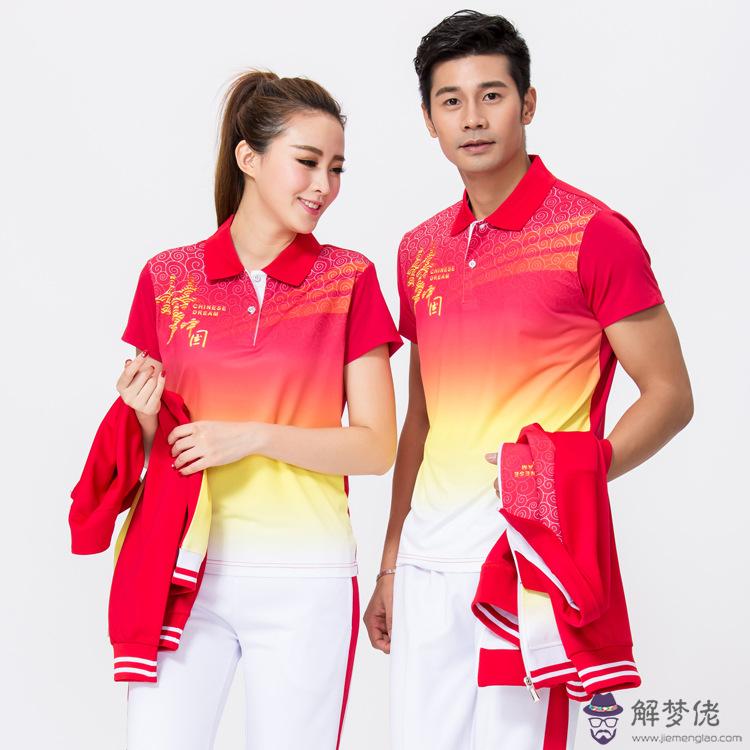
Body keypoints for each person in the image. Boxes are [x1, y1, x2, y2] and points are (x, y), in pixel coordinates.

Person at [363, 10, 693, 750]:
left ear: (528, 103)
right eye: (451, 101)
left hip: (529, 557)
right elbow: (421, 417)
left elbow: (671, 395)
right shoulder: (418, 249)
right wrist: (391, 561)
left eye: (493, 95)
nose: (473, 118)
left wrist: (570, 476)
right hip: (427, 562)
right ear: (429, 120)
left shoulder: (594, 233)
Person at [116, 69, 403, 750]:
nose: (324, 185)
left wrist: (253, 436)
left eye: (336, 168)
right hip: (183, 570)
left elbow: (376, 446)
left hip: (305, 576)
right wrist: (143, 414)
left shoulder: (349, 279)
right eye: (307, 162)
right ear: (248, 157)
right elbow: (153, 448)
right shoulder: (167, 277)